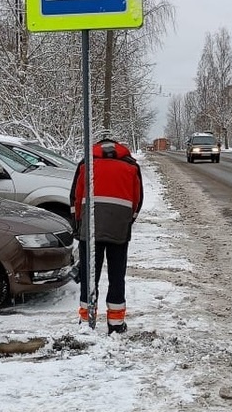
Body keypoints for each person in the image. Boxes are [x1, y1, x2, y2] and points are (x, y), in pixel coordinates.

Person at [70, 138, 143, 334]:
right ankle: (116, 323)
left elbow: (76, 198)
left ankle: (86, 321)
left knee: (89, 276)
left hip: (90, 228)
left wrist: (79, 226)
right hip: (119, 227)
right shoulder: (131, 166)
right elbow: (137, 200)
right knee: (117, 276)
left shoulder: (86, 164)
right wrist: (127, 221)